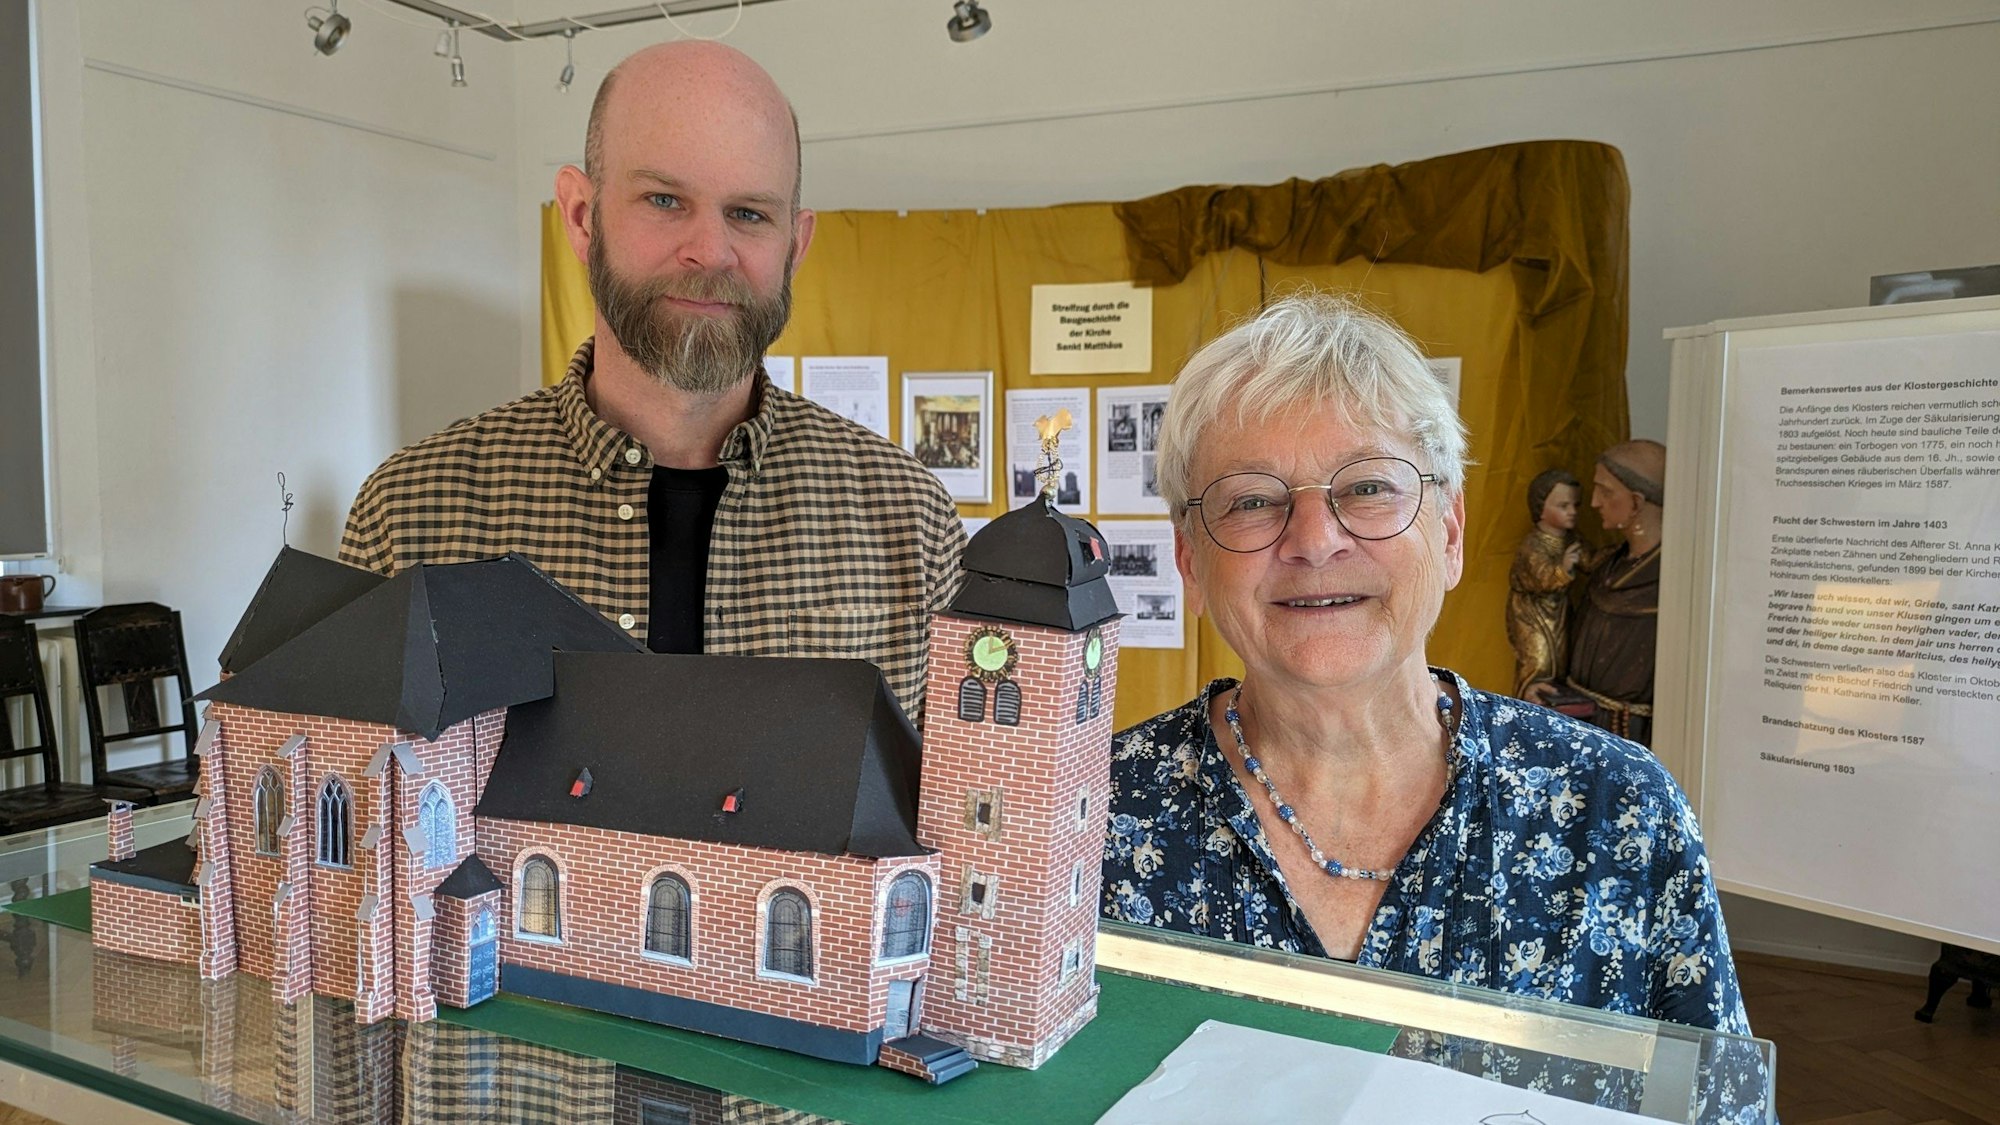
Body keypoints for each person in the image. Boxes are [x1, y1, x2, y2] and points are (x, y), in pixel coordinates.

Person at [1101, 294, 1748, 1034]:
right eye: (1251, 500)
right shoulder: (1092, 818)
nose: (1315, 539)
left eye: (1369, 487)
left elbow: (1709, 1102)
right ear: (1190, 560)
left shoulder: (1620, 810)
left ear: (1449, 531)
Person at [339, 42, 964, 723]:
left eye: (750, 213)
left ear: (795, 244)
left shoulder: (911, 525)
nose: (711, 251)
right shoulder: (409, 518)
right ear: (582, 216)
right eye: (664, 199)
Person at [1562, 441, 1667, 745]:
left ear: (1635, 503)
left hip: (1627, 738)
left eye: (1605, 491)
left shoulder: (1664, 583)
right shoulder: (1607, 565)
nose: (1594, 503)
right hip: (1583, 725)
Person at [1508, 468, 1582, 698]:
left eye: (1575, 505)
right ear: (1541, 508)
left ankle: (1553, 697)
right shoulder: (1533, 545)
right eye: (1563, 506)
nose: (1572, 512)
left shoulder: (1571, 539)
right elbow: (1542, 576)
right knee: (1538, 658)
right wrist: (1564, 567)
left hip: (1558, 612)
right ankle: (1527, 697)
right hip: (1532, 615)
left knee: (1560, 658)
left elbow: (1589, 559)